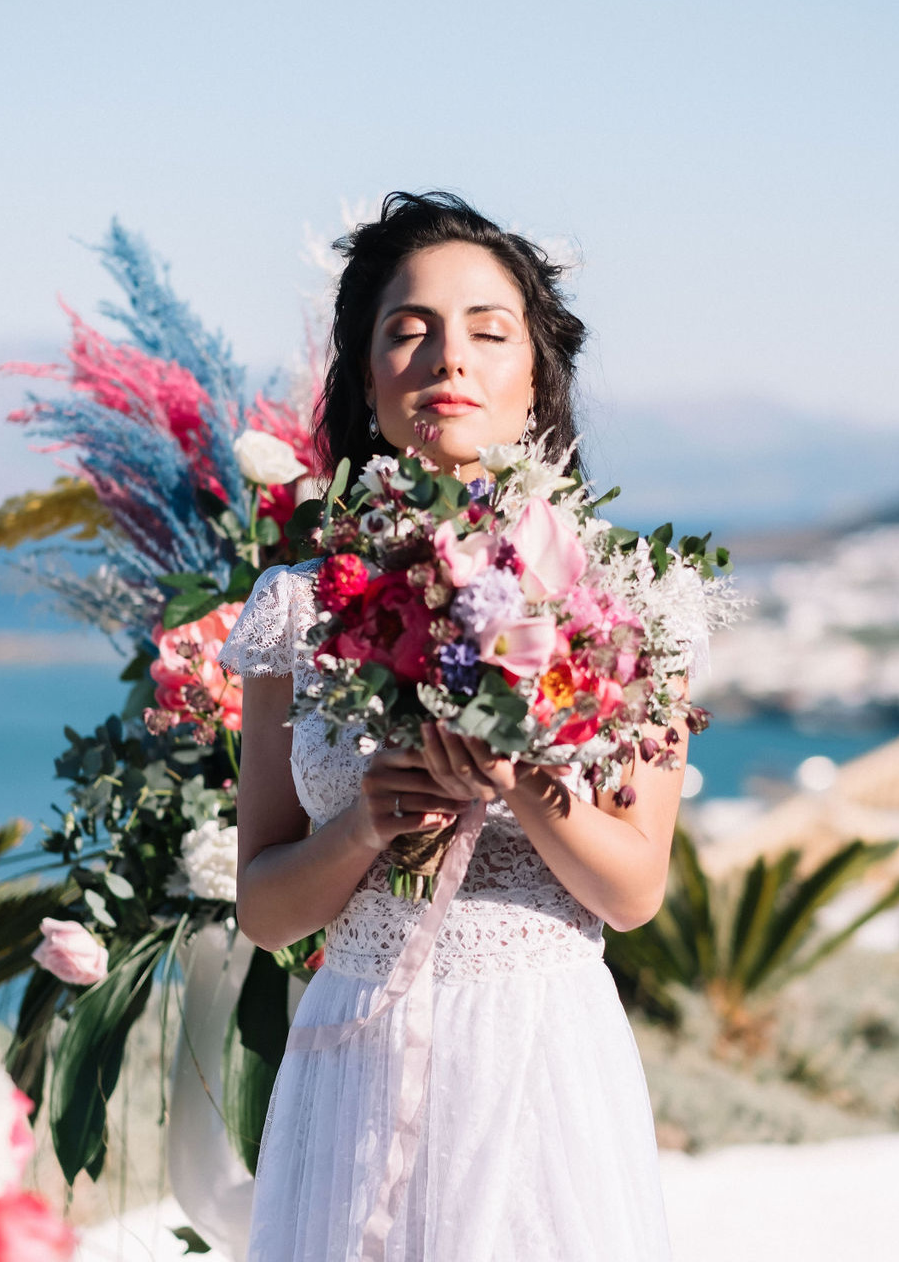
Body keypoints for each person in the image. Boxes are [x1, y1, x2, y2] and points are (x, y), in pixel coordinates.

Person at [219, 192, 690, 1261]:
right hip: (355, 1059)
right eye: (409, 328)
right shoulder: (299, 605)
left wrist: (513, 768)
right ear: (367, 373)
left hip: (540, 1061)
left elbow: (633, 887)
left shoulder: (625, 597)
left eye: (487, 329)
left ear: (534, 378)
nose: (448, 358)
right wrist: (362, 827)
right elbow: (262, 908)